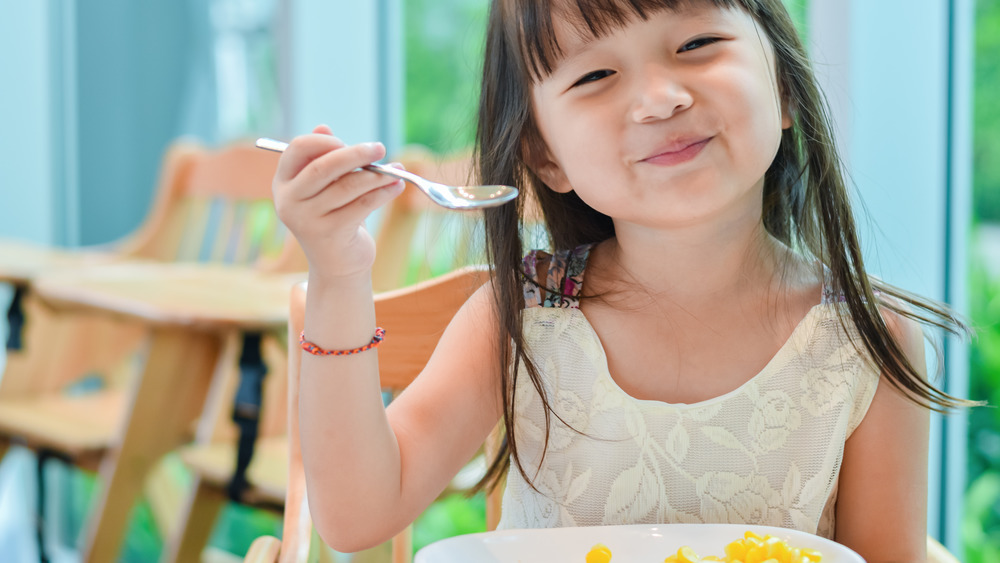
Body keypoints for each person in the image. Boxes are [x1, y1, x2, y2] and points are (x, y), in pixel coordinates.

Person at [271, 1, 973, 561]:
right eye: (595, 77)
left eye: (696, 43)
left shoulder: (866, 345)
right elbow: (358, 514)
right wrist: (338, 273)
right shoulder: (521, 318)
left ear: (784, 86)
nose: (659, 99)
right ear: (546, 155)